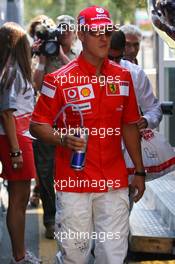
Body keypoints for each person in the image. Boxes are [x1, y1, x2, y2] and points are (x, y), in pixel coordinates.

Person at [30, 5, 145, 264]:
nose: (104, 37)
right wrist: (62, 138)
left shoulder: (124, 77)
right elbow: (37, 125)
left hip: (114, 182)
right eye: (96, 32)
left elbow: (129, 125)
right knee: (75, 255)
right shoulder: (58, 79)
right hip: (74, 182)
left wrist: (139, 170)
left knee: (113, 256)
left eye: (107, 31)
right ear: (81, 35)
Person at [28, 14, 77, 239]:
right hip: (47, 124)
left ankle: (71, 219)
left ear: (75, 33)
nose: (65, 32)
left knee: (73, 172)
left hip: (74, 124)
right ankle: (50, 220)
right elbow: (36, 86)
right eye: (61, 28)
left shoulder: (79, 56)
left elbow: (79, 78)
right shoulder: (43, 55)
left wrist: (61, 55)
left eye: (69, 29)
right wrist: (43, 61)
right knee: (46, 174)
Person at [0, 22, 41, 264]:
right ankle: (20, 256)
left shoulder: (10, 68)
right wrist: (16, 151)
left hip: (18, 136)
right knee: (18, 199)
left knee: (19, 198)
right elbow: (6, 113)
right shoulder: (12, 71)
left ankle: (20, 254)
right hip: (15, 138)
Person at [109, 30, 163, 130]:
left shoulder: (136, 73)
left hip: (130, 140)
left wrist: (147, 120)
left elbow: (154, 108)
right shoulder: (84, 74)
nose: (114, 63)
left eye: (118, 58)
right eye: (109, 58)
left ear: (122, 51)